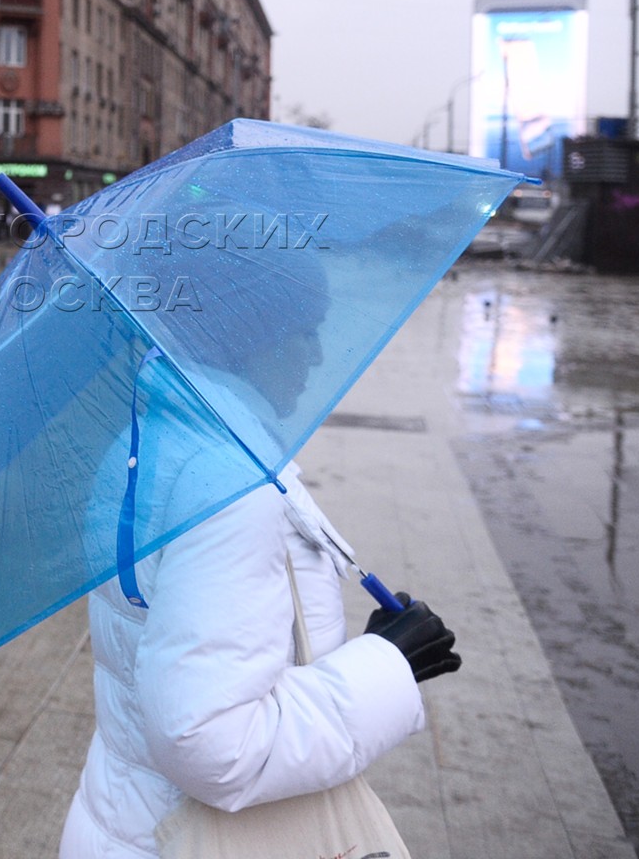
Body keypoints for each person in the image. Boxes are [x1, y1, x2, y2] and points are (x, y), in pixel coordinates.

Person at [59, 247, 462, 858]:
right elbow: (209, 742)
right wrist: (388, 664)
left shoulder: (148, 438)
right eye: (306, 332)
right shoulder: (227, 484)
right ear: (251, 338)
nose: (319, 354)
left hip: (125, 821)